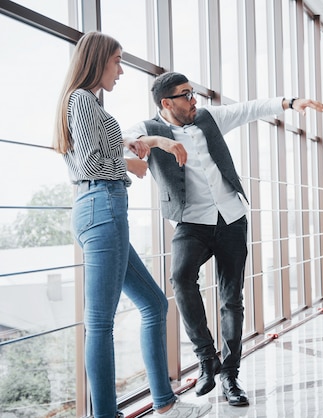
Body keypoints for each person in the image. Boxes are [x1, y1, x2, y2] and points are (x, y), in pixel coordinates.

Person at [123, 72, 323, 406]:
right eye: (186, 95)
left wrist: (291, 103)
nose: (194, 101)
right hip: (191, 221)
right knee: (180, 277)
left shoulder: (208, 118)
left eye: (193, 93)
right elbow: (122, 140)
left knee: (231, 299)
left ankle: (230, 376)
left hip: (232, 217)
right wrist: (153, 144)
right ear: (166, 103)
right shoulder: (148, 128)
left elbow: (249, 109)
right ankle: (207, 359)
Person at [52, 32, 211, 418]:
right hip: (102, 207)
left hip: (102, 209)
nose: (121, 70)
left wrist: (147, 143)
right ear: (97, 60)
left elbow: (104, 144)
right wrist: (130, 164)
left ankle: (165, 402)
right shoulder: (82, 100)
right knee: (101, 323)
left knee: (154, 303)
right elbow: (91, 165)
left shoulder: (84, 102)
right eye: (117, 61)